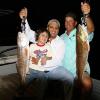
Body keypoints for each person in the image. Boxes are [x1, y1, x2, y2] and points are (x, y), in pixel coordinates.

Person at [19, 8, 74, 100]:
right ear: (47, 27)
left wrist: (40, 61)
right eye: (51, 27)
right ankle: (20, 91)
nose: (54, 30)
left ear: (58, 30)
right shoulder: (41, 36)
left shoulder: (60, 42)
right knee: (24, 81)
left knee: (69, 77)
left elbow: (57, 60)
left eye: (56, 28)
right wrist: (24, 19)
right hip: (36, 68)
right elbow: (27, 33)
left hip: (53, 70)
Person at [60, 2, 94, 100]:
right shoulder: (61, 37)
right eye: (66, 21)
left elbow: (90, 29)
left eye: (70, 21)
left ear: (75, 23)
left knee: (87, 84)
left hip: (80, 69)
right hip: (66, 71)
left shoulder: (80, 32)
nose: (67, 23)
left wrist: (86, 15)